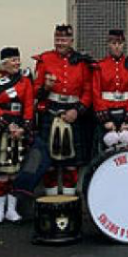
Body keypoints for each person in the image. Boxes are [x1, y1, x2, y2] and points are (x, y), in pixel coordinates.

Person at [33, 24, 93, 196]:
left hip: (74, 111)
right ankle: (52, 202)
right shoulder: (44, 59)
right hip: (51, 111)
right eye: (57, 39)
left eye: (64, 39)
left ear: (71, 40)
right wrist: (46, 87)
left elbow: (88, 90)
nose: (60, 42)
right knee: (49, 163)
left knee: (71, 163)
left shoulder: (81, 61)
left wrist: (78, 111)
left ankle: (68, 202)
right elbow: (36, 91)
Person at [0, 47, 34, 225]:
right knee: (3, 174)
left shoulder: (25, 80)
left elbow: (29, 105)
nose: (17, 63)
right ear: (4, 63)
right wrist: (7, 124)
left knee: (16, 174)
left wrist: (25, 126)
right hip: (1, 127)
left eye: (18, 60)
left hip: (19, 127)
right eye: (13, 60)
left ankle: (12, 210)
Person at [91, 29, 128, 151]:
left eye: (120, 43)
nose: (117, 47)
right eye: (113, 43)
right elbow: (96, 93)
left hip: (126, 113)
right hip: (107, 113)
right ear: (108, 44)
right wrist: (105, 120)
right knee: (105, 155)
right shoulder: (100, 66)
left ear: (124, 44)